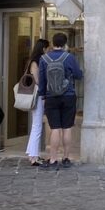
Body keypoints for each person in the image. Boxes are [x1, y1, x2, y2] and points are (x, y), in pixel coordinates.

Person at [38, 32, 83, 170]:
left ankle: (53, 159)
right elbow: (78, 75)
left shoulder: (44, 59)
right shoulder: (69, 57)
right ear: (65, 44)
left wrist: (43, 96)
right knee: (67, 128)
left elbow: (42, 80)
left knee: (55, 129)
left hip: (51, 97)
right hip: (68, 95)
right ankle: (66, 158)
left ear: (52, 43)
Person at [24, 38, 50, 166]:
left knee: (36, 124)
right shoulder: (36, 61)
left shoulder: (32, 60)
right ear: (43, 48)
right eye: (47, 48)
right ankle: (34, 156)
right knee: (37, 126)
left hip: (36, 95)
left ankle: (31, 153)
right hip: (37, 95)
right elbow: (37, 80)